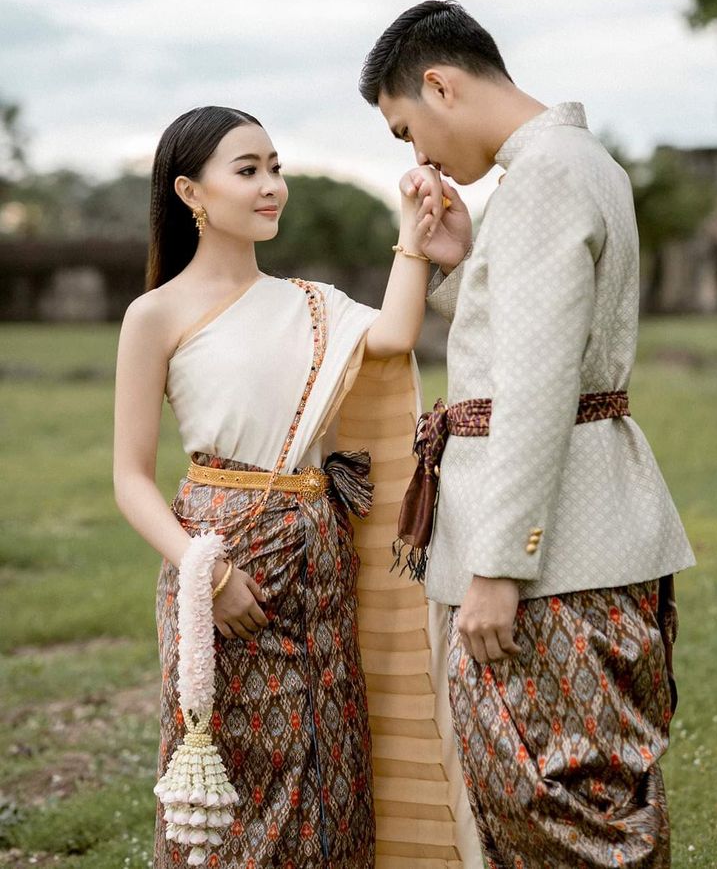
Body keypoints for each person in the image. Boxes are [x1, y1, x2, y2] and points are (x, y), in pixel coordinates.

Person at [359, 0, 696, 869]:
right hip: (591, 527)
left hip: (554, 558)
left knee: (552, 802)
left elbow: (539, 384)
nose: (419, 156)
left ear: (440, 84)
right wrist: (467, 260)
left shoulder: (545, 174)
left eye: (407, 130)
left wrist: (500, 566)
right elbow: (546, 335)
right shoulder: (575, 163)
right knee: (587, 791)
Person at [113, 105, 485, 869]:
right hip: (218, 563)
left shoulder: (310, 304)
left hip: (320, 557)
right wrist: (206, 573)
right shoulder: (154, 315)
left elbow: (391, 336)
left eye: (275, 167)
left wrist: (414, 238)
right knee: (232, 773)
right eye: (248, 170)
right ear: (190, 192)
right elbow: (129, 479)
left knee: (329, 758)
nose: (271, 186)